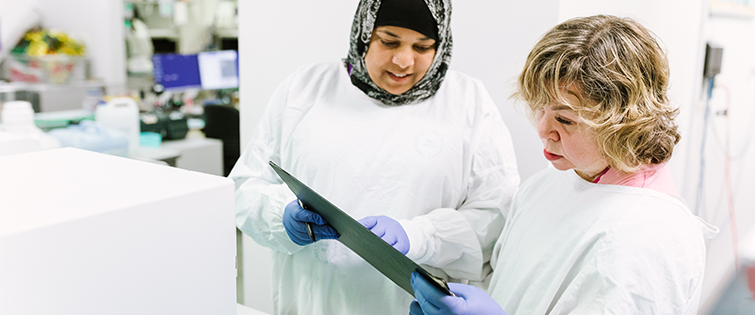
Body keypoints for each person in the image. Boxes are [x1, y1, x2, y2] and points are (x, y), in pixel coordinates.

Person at [409, 15, 718, 315]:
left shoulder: (650, 236)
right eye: (539, 107)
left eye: (565, 119)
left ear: (625, 122)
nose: (543, 129)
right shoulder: (549, 184)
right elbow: (509, 287)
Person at [230, 0, 520, 314]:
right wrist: (280, 218)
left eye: (423, 47)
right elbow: (245, 188)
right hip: (315, 301)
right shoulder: (304, 89)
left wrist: (420, 236)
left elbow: (497, 213)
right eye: (389, 41)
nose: (404, 61)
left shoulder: (467, 102)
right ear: (364, 33)